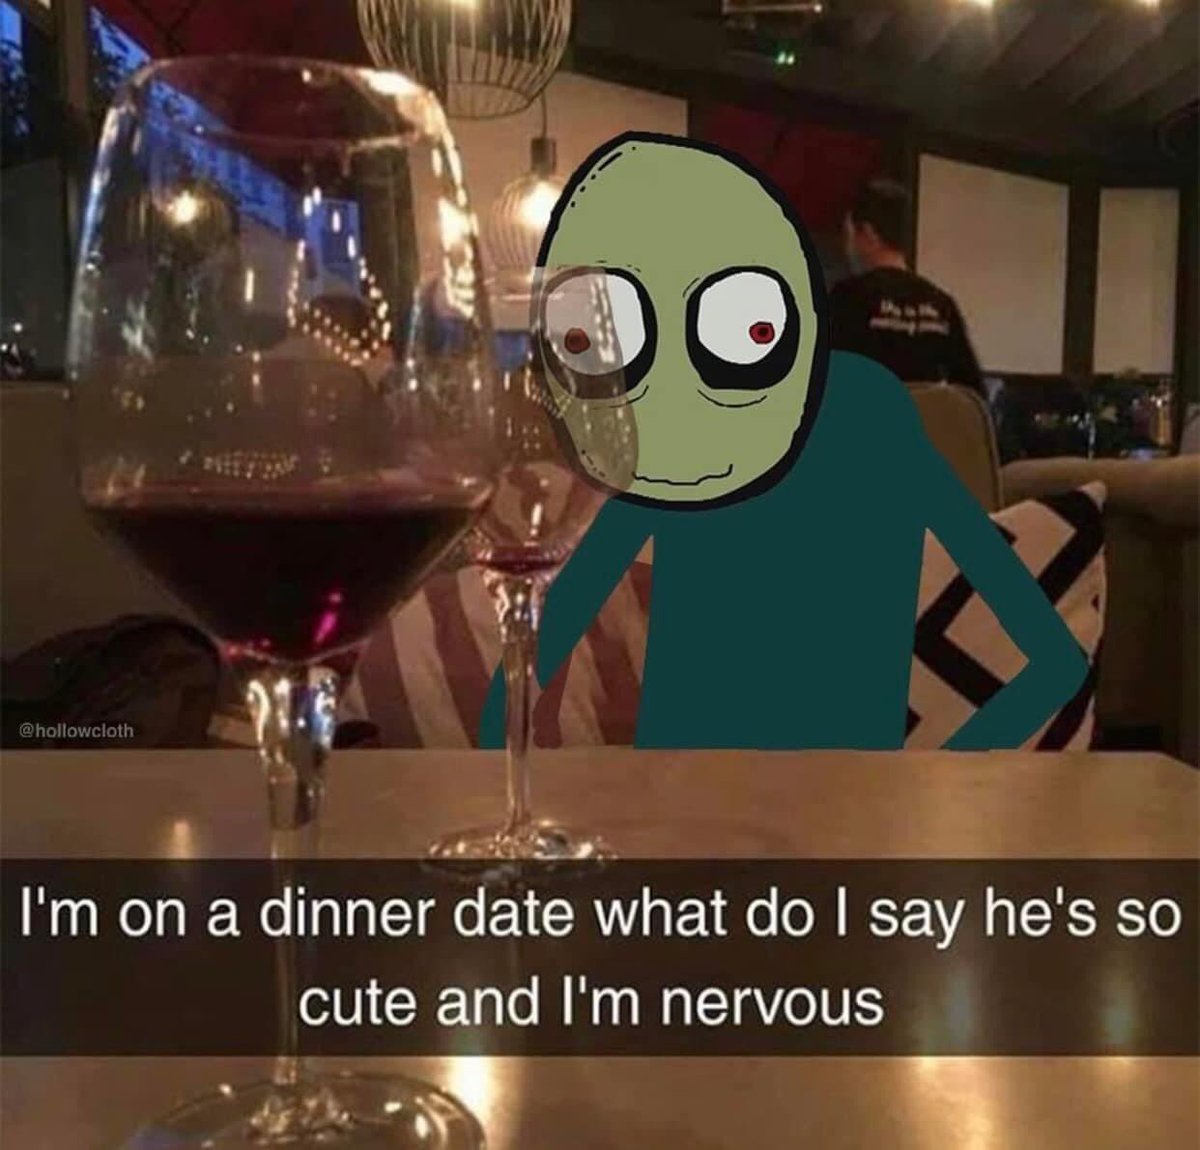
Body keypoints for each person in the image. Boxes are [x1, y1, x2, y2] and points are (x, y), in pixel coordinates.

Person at [478, 134, 1086, 753]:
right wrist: (933, 782)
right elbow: (1054, 661)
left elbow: (518, 679)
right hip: (839, 790)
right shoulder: (896, 378)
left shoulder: (691, 427)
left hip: (692, 793)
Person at [830, 179, 985, 396]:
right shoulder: (942, 305)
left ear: (868, 233)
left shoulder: (847, 298)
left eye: (849, 235)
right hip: (927, 419)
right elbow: (973, 395)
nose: (848, 247)